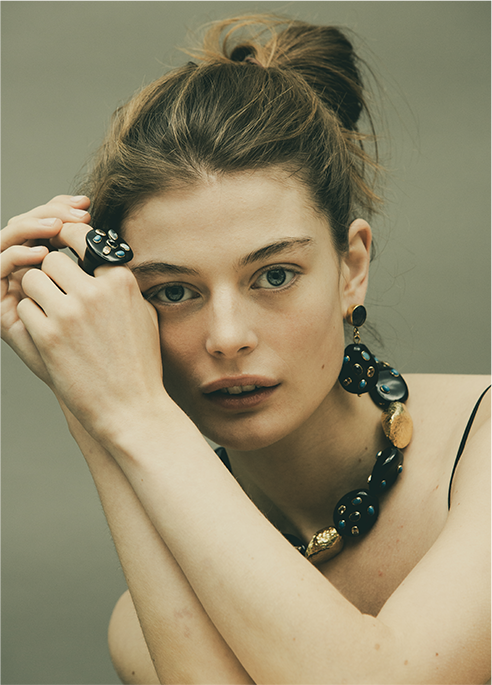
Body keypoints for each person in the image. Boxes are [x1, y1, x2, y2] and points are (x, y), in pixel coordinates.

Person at [1, 13, 491, 685]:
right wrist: (91, 404)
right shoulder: (141, 627)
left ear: (351, 269)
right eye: (174, 291)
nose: (228, 336)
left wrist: (137, 417)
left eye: (275, 276)